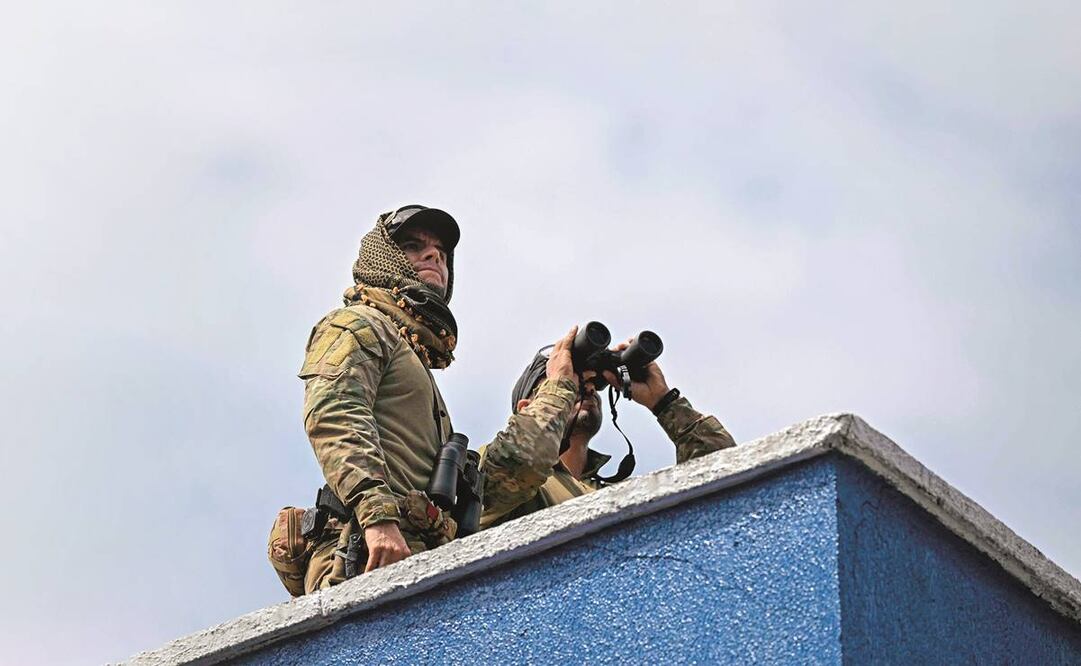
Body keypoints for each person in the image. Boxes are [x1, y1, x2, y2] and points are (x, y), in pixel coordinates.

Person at [288, 204, 464, 594]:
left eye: (441, 252)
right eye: (414, 246)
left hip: (415, 553)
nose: (434, 255)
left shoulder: (412, 355)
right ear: (385, 256)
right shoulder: (361, 323)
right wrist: (378, 518)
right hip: (372, 553)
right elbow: (334, 414)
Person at [479, 336, 737, 529]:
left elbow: (724, 484)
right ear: (526, 408)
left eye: (591, 385)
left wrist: (664, 402)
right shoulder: (496, 468)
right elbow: (523, 459)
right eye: (573, 385)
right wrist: (561, 382)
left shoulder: (617, 497)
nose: (588, 390)